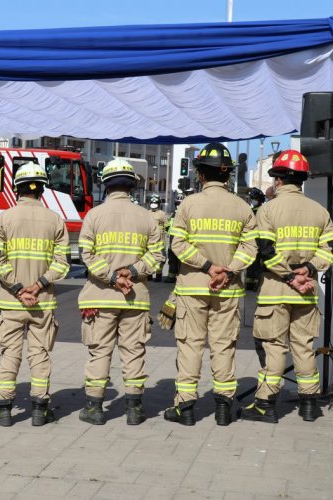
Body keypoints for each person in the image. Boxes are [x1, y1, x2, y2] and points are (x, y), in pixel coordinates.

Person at [240, 150, 333, 424]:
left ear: (279, 180)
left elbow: (265, 251)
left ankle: (265, 404)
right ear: (302, 180)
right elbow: (331, 249)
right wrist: (307, 270)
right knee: (304, 347)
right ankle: (309, 404)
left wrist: (288, 276)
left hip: (276, 290)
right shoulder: (320, 211)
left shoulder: (269, 209)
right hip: (306, 293)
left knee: (273, 347)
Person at [164, 142, 258, 427]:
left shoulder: (188, 205)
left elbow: (177, 244)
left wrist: (207, 267)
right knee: (223, 345)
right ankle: (224, 407)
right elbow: (250, 249)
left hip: (193, 287)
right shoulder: (242, 207)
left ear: (201, 175)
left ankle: (186, 406)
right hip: (227, 289)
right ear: (227, 174)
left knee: (190, 344)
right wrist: (227, 271)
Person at [76, 159, 164, 426]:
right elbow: (157, 256)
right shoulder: (147, 217)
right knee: (134, 352)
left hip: (99, 297)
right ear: (132, 186)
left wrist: (112, 276)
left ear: (106, 185)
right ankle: (135, 409)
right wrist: (132, 273)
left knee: (100, 351)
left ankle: (94, 408)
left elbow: (85, 254)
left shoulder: (94, 215)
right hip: (135, 298)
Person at [0, 162, 70, 427]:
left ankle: (3, 409)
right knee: (40, 354)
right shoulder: (55, 219)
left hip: (11, 302)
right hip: (42, 302)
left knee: (10, 354)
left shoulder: (5, 218)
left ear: (17, 189)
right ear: (42, 190)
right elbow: (62, 263)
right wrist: (38, 285)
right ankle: (39, 409)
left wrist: (18, 289)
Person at [245, 188, 267, 291]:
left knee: (253, 265)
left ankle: (251, 285)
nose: (252, 200)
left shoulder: (253, 212)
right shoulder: (266, 211)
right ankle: (254, 284)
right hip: (263, 241)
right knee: (257, 264)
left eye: (253, 198)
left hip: (254, 241)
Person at [148, 194, 168, 282]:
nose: (153, 204)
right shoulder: (147, 213)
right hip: (149, 240)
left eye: (155, 202)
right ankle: (149, 275)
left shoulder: (162, 214)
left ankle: (159, 275)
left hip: (160, 240)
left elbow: (167, 226)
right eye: (152, 202)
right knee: (149, 257)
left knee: (160, 257)